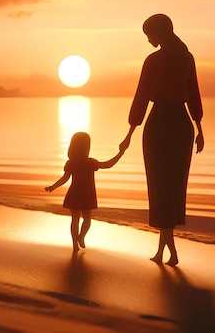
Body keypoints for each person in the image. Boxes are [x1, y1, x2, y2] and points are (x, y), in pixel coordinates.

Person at [120, 14, 204, 266]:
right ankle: (165, 250)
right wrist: (199, 128)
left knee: (160, 188)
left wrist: (129, 133)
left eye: (149, 35)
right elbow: (193, 95)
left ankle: (169, 251)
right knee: (173, 188)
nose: (148, 40)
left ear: (159, 32)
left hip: (160, 124)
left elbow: (142, 96)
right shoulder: (186, 58)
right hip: (182, 125)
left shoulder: (154, 61)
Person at [45, 131, 124, 252]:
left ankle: (75, 244)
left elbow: (64, 179)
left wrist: (53, 187)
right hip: (87, 194)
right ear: (87, 147)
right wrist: (120, 153)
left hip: (75, 193)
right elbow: (108, 164)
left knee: (75, 219)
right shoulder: (90, 162)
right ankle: (81, 236)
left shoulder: (71, 163)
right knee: (87, 218)